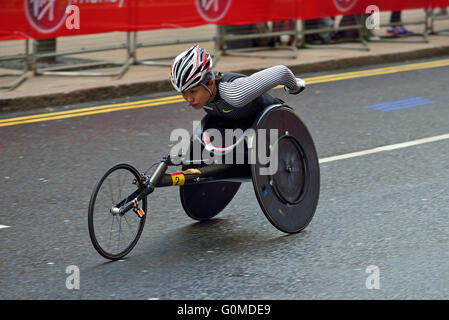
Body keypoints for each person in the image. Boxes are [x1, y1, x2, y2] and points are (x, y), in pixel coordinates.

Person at [170, 45, 305, 122]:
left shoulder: (234, 93)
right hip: (237, 126)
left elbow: (281, 72)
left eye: (193, 91)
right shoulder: (204, 92)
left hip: (274, 122)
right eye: (184, 93)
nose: (189, 99)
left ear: (210, 83)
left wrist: (294, 87)